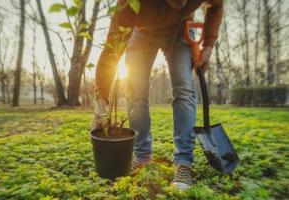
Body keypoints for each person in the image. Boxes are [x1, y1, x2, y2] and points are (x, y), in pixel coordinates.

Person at [92, 0, 224, 190]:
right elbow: (111, 51)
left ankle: (184, 162)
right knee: (135, 91)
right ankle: (143, 158)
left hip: (180, 30)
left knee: (184, 89)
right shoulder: (129, 4)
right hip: (142, 31)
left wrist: (209, 45)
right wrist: (101, 103)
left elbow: (216, 5)